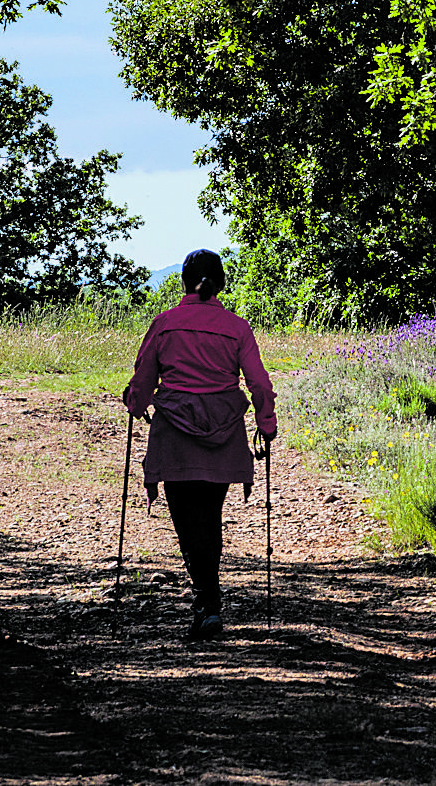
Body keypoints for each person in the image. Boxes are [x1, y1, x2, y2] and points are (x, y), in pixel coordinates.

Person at [123, 248, 277, 643]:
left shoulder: (165, 324)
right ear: (221, 283)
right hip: (223, 434)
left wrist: (136, 403)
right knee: (209, 516)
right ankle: (209, 600)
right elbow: (259, 383)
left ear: (183, 283)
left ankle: (207, 603)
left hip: (175, 436)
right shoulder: (237, 328)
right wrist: (266, 423)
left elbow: (142, 380)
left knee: (187, 521)